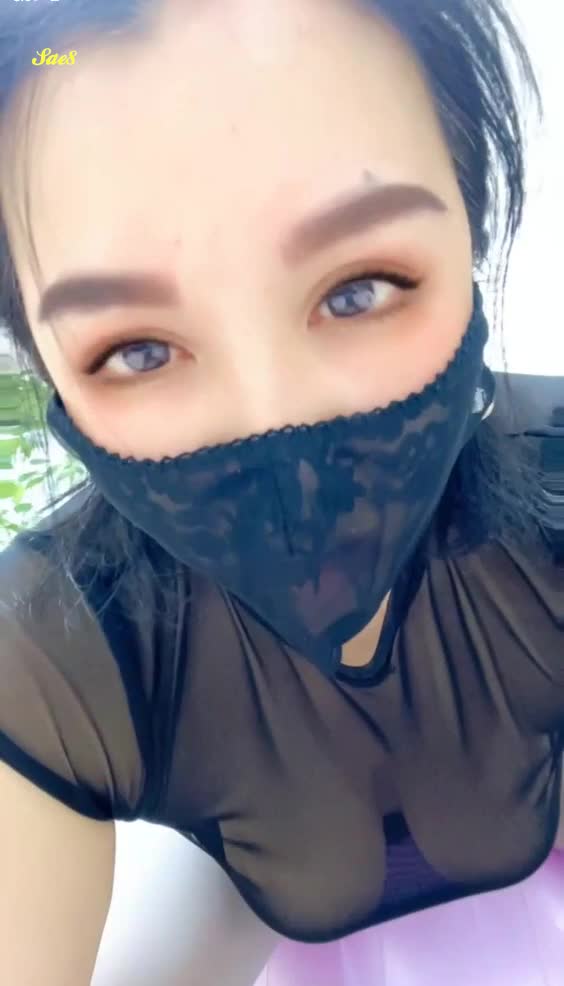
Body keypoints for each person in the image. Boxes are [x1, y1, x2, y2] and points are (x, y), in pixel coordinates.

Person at [0, 0, 562, 983]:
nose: (279, 430)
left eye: (359, 288)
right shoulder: (53, 653)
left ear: (471, 233)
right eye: (139, 350)